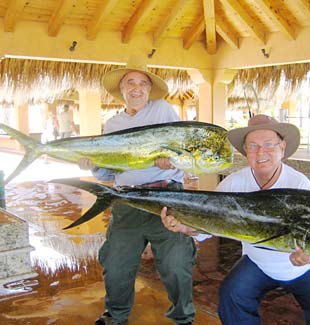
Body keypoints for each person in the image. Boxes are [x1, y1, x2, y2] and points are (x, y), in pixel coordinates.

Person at [161, 114, 310, 324]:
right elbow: (209, 227)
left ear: (282, 147)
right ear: (245, 152)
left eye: (269, 144)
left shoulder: (299, 184)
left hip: (306, 269)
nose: (261, 152)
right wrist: (186, 228)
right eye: (253, 146)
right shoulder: (233, 184)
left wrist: (309, 257)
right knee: (231, 295)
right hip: (258, 263)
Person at [78, 56, 196, 325]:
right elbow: (109, 173)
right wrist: (93, 166)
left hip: (167, 198)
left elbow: (183, 148)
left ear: (149, 89)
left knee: (177, 264)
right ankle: (115, 316)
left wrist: (172, 162)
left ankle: (183, 318)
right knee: (116, 265)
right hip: (126, 200)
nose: (136, 88)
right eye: (130, 82)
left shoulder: (163, 110)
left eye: (142, 83)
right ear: (121, 89)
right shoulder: (112, 125)